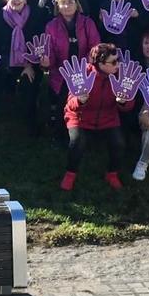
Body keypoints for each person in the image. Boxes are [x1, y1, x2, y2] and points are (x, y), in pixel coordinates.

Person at [59, 44, 130, 191]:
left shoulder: (120, 77)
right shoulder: (83, 75)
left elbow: (129, 106)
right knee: (77, 141)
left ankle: (112, 174)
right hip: (80, 117)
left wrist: (124, 102)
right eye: (114, 62)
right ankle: (70, 173)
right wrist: (80, 100)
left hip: (108, 118)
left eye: (118, 60)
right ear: (100, 63)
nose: (118, 65)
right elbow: (70, 105)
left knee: (118, 143)